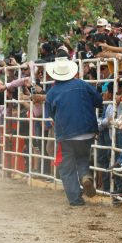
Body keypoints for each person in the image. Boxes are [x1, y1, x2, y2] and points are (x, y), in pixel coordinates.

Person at [44, 57, 103, 207]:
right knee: (82, 157)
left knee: (66, 167)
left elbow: (51, 114)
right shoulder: (82, 84)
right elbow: (98, 100)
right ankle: (85, 176)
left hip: (66, 133)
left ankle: (76, 199)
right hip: (87, 130)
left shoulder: (52, 92)